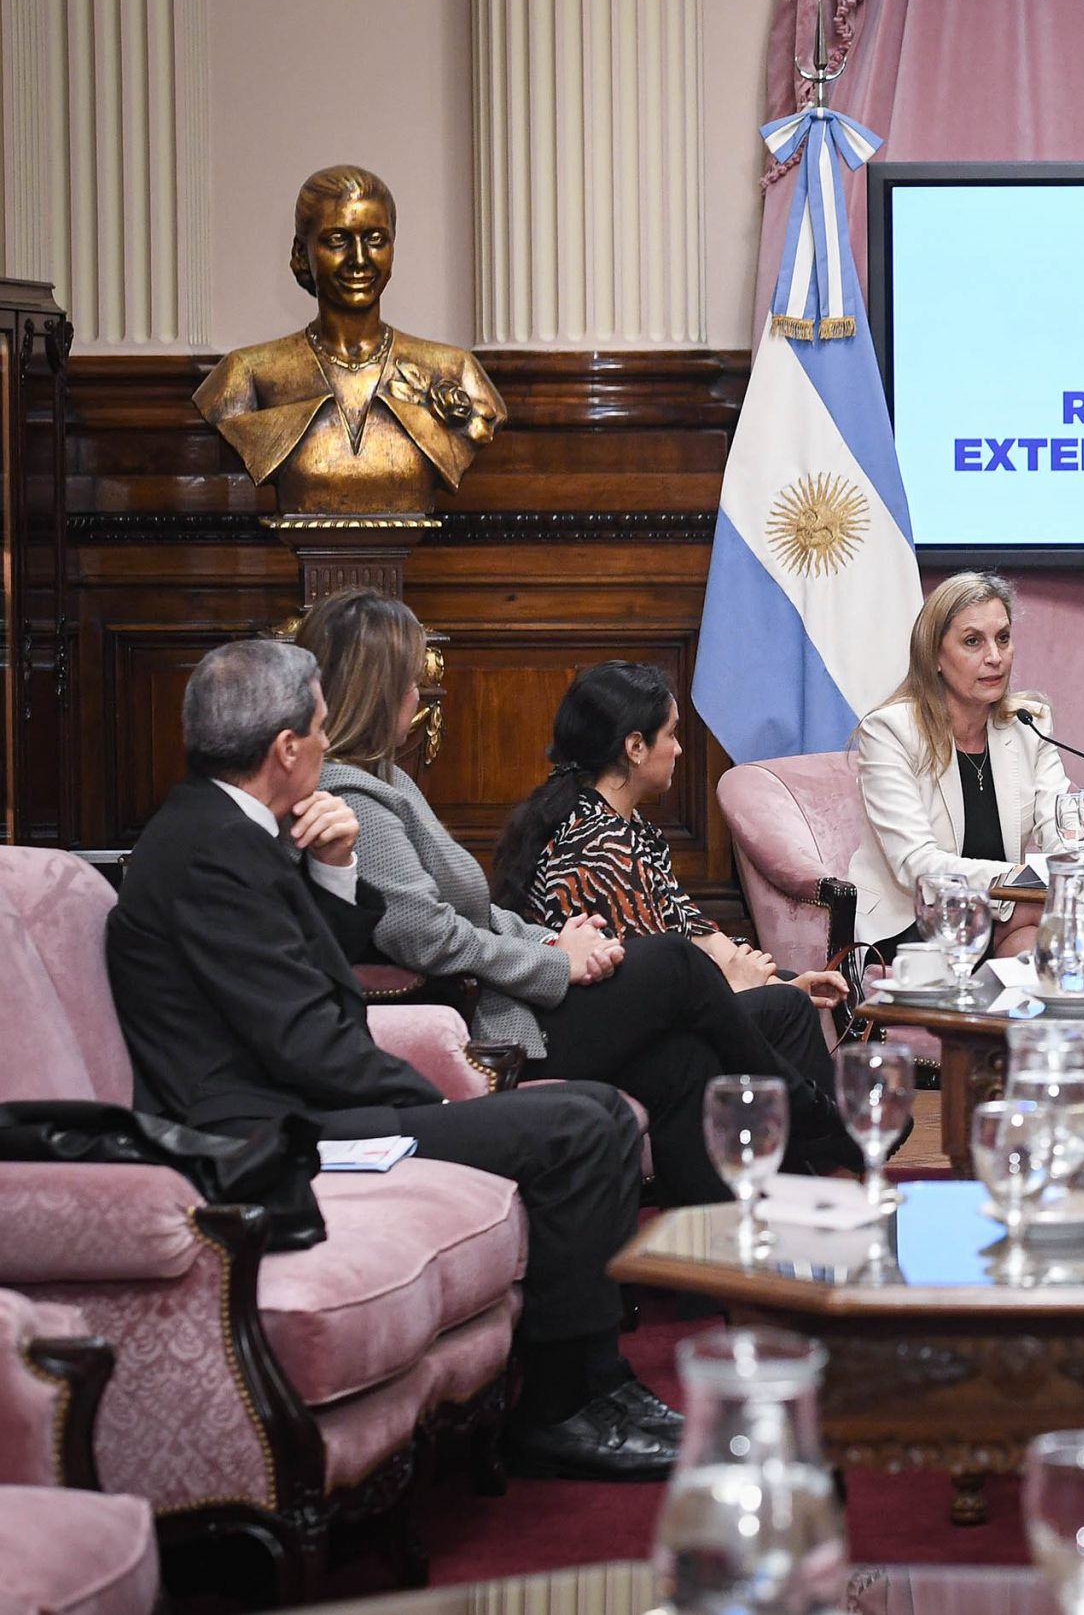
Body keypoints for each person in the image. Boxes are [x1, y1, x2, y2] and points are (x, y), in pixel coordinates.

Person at [106, 639, 678, 1479]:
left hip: (303, 1101)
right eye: (321, 729)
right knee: (576, 1125)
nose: (329, 746)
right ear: (287, 750)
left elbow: (320, 972)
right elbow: (304, 1040)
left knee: (590, 1108)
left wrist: (335, 868)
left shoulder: (232, 829)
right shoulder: (207, 855)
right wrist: (438, 1106)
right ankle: (560, 1409)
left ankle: (598, 1383)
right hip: (268, 1136)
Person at [298, 590, 859, 1207]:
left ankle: (733, 1250)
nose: (420, 696)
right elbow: (424, 934)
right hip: (498, 1020)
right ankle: (819, 1121)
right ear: (378, 690)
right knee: (676, 965)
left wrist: (549, 940)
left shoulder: (389, 779)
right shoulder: (350, 795)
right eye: (411, 682)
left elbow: (480, 915)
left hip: (522, 991)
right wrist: (556, 961)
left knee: (686, 1061)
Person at [489, 658, 853, 1043]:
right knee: (784, 1007)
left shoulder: (632, 826)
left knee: (785, 990)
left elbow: (685, 925)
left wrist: (766, 976)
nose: (679, 749)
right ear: (635, 747)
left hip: (653, 1003)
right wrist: (744, 987)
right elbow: (655, 981)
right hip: (602, 1031)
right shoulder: (597, 844)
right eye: (672, 734)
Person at [192, 164, 504, 517]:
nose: (359, 259)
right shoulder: (246, 374)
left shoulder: (455, 370)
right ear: (301, 253)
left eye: (375, 239)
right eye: (337, 239)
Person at [842, 570, 1074, 954]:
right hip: (915, 922)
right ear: (934, 655)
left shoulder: (1027, 724)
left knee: (1035, 946)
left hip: (1005, 914)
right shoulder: (890, 731)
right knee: (1065, 916)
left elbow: (1062, 829)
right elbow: (917, 865)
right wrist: (1023, 881)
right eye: (973, 642)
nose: (995, 657)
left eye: (1003, 638)